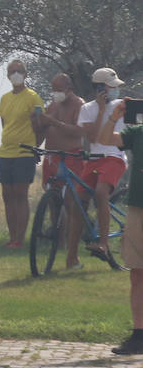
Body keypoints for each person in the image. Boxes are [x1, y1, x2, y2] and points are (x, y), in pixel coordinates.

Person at [93, 95, 142, 354]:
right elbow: (104, 139)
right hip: (138, 207)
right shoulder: (137, 132)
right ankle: (139, 335)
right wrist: (115, 115)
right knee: (137, 273)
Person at [75, 67, 128, 263]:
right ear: (99, 89)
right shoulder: (87, 109)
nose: (114, 90)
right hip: (95, 158)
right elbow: (92, 137)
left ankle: (103, 244)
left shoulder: (122, 106)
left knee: (100, 193)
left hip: (114, 157)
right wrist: (101, 110)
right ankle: (72, 254)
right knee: (79, 200)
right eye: (110, 87)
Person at [37, 72, 85, 268]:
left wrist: (55, 123)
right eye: (53, 89)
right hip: (52, 156)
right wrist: (38, 120)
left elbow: (78, 131)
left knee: (70, 202)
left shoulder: (79, 104)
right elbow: (43, 126)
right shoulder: (54, 104)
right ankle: (58, 241)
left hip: (72, 156)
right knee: (52, 199)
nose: (55, 93)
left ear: (68, 89)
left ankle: (71, 248)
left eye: (58, 89)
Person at [0, 59, 43, 248]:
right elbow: (5, 125)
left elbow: (41, 125)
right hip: (5, 152)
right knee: (7, 195)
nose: (15, 74)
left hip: (24, 153)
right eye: (12, 71)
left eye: (19, 71)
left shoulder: (33, 97)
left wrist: (35, 146)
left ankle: (19, 239)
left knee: (20, 194)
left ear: (25, 74)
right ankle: (12, 235)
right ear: (8, 76)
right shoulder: (4, 98)